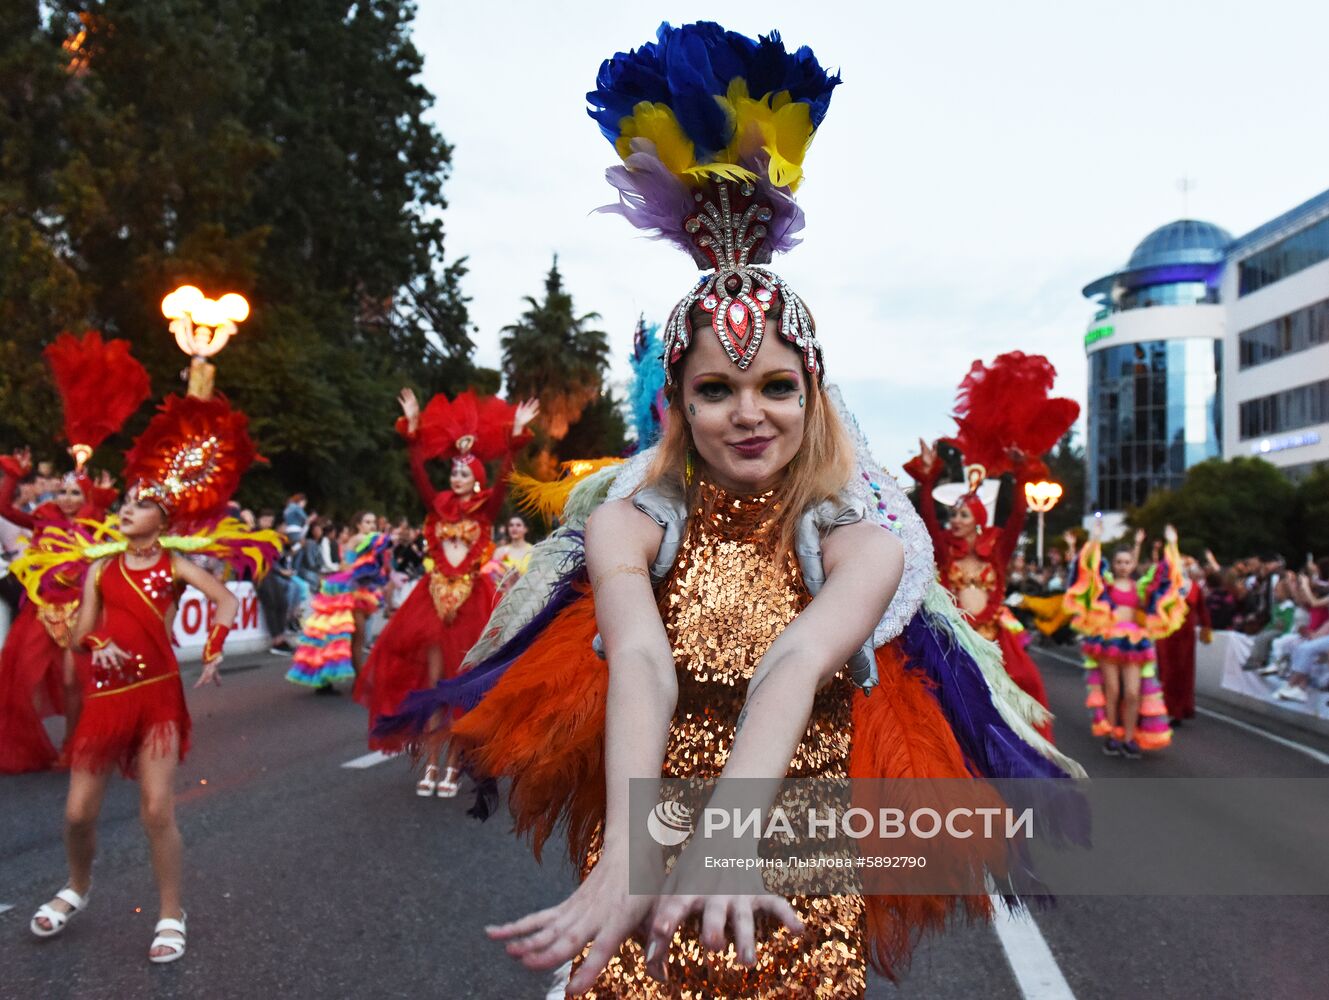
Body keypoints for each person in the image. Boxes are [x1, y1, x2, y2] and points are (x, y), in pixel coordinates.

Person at [376, 22, 1082, 996]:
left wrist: (732, 836)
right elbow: (639, 660)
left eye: (777, 388)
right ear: (680, 404)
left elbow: (792, 664)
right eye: (717, 390)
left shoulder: (867, 544)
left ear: (814, 393)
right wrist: (633, 852)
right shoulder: (629, 526)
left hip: (787, 879)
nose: (749, 414)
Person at [16, 388, 278, 963]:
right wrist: (100, 641)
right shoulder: (100, 569)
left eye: (140, 503)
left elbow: (225, 601)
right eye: (126, 502)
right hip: (106, 698)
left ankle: (169, 911)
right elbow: (82, 631)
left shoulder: (174, 564)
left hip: (158, 696)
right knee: (77, 812)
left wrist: (213, 648)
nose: (127, 508)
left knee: (157, 808)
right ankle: (77, 887)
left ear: (163, 519)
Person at [352, 388, 536, 796]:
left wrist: (515, 439)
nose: (456, 478)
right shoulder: (436, 507)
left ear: (477, 480)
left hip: (470, 604)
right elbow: (418, 472)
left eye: (464, 473)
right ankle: (431, 766)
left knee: (458, 689)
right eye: (453, 473)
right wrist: (413, 432)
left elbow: (505, 479)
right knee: (435, 691)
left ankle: (453, 766)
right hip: (431, 605)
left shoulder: (486, 510)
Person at [905, 353, 1078, 741]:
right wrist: (930, 480)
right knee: (954, 715)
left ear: (979, 520)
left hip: (996, 642)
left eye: (965, 513)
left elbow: (1016, 516)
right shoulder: (945, 552)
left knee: (1013, 705)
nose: (957, 519)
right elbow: (929, 516)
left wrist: (1018, 471)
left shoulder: (996, 552)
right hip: (958, 644)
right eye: (956, 514)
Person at [0, 452, 119, 772]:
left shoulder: (96, 521)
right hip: (42, 609)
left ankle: (73, 746)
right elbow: (4, 509)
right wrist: (12, 474)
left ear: (87, 496)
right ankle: (25, 748)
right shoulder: (42, 517)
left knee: (72, 681)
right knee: (21, 677)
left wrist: (104, 500)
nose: (67, 499)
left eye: (75, 493)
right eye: (63, 492)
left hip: (82, 610)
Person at [1065, 521, 1185, 756]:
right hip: (1108, 641)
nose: (1122, 566)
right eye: (1119, 562)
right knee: (1112, 690)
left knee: (1132, 692)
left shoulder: (1141, 587)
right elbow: (1087, 570)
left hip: (1134, 643)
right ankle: (1113, 735)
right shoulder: (1106, 586)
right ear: (1115, 563)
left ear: (1133, 564)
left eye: (1127, 562)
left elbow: (1168, 577)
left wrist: (1172, 544)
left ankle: (1130, 737)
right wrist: (1095, 539)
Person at [285, 511, 393, 694]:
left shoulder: (360, 540)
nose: (371, 526)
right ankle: (359, 680)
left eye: (373, 522)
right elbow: (351, 563)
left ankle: (340, 678)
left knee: (341, 638)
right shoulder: (361, 538)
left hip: (353, 589)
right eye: (367, 522)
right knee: (354, 639)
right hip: (350, 591)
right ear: (358, 525)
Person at [1154, 557, 1212, 725]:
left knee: (1184, 673)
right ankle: (1165, 708)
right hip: (1166, 634)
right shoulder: (1165, 586)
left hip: (1186, 638)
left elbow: (1202, 609)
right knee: (1167, 672)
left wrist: (1207, 628)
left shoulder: (1194, 587)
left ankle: (1180, 710)